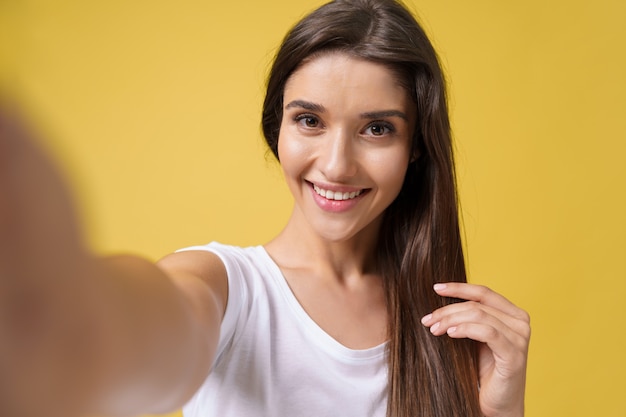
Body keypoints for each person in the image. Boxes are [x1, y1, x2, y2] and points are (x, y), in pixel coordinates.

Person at [0, 0, 530, 416]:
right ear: (276, 128)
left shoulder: (442, 322)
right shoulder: (227, 287)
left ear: (415, 147)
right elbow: (153, 325)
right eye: (309, 121)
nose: (338, 165)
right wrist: (61, 325)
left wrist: (500, 411)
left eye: (376, 128)